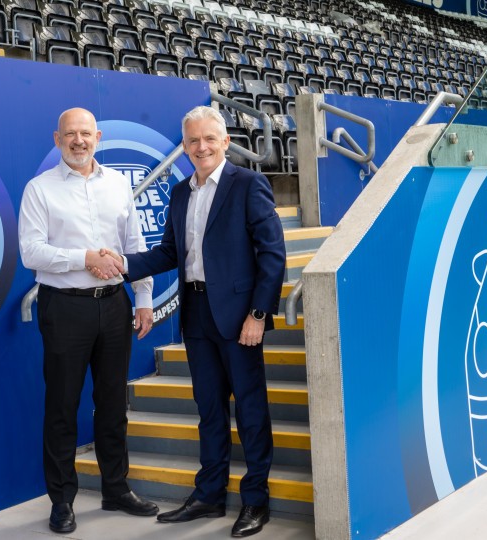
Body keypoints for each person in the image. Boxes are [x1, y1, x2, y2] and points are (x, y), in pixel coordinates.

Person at [104, 105, 286, 537]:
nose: (200, 147)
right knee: (209, 410)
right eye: (192, 141)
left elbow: (272, 253)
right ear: (184, 147)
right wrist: (123, 263)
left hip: (241, 316)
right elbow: (171, 252)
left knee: (252, 410)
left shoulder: (248, 184)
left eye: (209, 139)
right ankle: (209, 495)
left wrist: (259, 314)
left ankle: (255, 501)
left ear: (225, 141)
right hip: (198, 314)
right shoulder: (181, 191)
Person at [18, 107, 159, 534]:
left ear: (97, 136)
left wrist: (144, 297)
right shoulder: (39, 189)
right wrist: (85, 258)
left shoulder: (118, 184)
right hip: (65, 308)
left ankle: (116, 488)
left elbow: (134, 244)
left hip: (115, 305)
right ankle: (62, 500)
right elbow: (31, 252)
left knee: (113, 403)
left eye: (85, 133)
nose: (78, 141)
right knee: (62, 406)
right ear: (57, 138)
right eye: (69, 134)